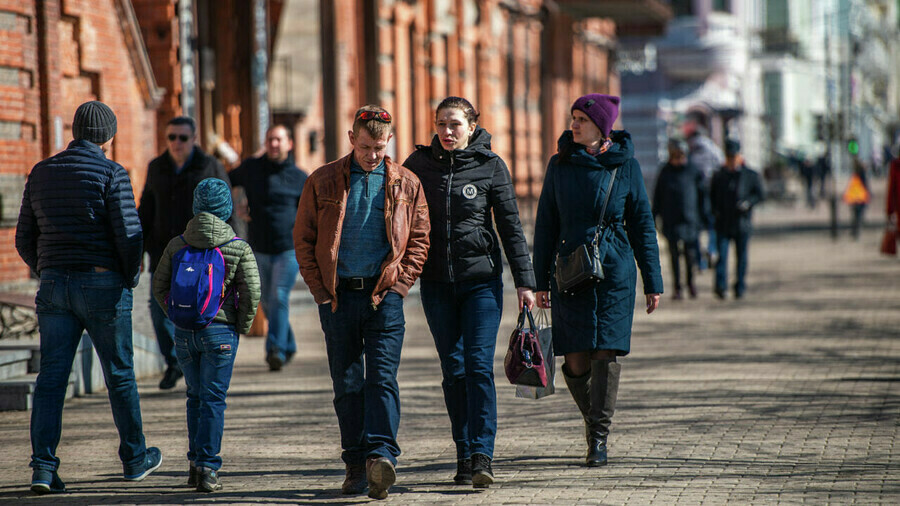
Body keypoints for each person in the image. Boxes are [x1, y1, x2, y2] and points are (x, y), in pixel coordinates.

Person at [15, 101, 162, 494]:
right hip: (102, 286)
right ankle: (134, 459)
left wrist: (46, 268)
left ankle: (43, 468)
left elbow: (23, 238)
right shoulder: (113, 173)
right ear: (108, 137)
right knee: (119, 375)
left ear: (76, 132)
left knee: (51, 378)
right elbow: (130, 238)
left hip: (53, 287)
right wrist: (127, 278)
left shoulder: (41, 172)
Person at [293, 105, 430, 500]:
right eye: (366, 146)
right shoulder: (322, 181)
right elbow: (303, 239)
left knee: (382, 379)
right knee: (348, 383)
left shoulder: (406, 182)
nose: (373, 154)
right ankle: (355, 464)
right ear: (352, 139)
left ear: (391, 141)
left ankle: (382, 456)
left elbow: (420, 238)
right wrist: (320, 291)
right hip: (338, 298)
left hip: (384, 295)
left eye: (381, 146)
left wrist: (401, 285)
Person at [403, 97, 536, 488]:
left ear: (472, 126)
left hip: (481, 283)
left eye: (456, 124)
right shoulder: (417, 167)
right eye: (442, 123)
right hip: (437, 285)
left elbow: (511, 227)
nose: (447, 131)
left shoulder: (491, 166)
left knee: (478, 366)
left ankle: (482, 454)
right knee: (453, 369)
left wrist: (525, 282)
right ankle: (462, 450)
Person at [532, 94, 663, 467]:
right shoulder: (559, 165)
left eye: (582, 120)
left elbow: (642, 225)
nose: (574, 125)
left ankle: (598, 438)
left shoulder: (627, 166)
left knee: (606, 350)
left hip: (615, 270)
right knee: (574, 359)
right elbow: (545, 226)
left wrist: (653, 281)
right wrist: (539, 281)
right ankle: (595, 420)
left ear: (601, 127)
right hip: (571, 270)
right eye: (572, 118)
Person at [152, 178, 260, 492]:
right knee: (213, 400)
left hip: (185, 333)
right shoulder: (237, 246)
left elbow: (160, 287)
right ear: (226, 209)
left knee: (194, 398)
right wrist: (239, 327)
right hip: (221, 333)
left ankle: (194, 464)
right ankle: (209, 468)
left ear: (196, 208)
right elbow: (252, 293)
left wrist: (177, 316)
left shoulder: (177, 244)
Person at [139, 116, 231, 390]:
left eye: (182, 137)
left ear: (193, 139)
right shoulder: (156, 167)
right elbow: (146, 210)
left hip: (200, 254)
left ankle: (199, 362)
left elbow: (227, 210)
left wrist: (232, 248)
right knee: (159, 310)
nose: (176, 143)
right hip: (164, 252)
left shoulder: (209, 166)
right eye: (171, 137)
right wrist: (137, 251)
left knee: (199, 309)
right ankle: (174, 362)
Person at [230, 125, 307, 371]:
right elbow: (223, 179)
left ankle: (275, 349)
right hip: (259, 247)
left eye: (278, 139)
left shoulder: (299, 177)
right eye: (270, 139)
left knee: (279, 295)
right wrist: (237, 204)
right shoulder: (252, 168)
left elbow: (310, 214)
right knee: (266, 299)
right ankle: (288, 344)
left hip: (288, 247)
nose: (274, 144)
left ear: (289, 144)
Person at [709, 139, 765, 300]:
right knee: (722, 256)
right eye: (728, 157)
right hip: (723, 223)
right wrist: (714, 211)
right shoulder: (719, 175)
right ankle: (720, 286)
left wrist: (748, 203)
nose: (731, 160)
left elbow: (760, 195)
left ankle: (740, 285)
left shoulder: (750, 174)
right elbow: (710, 197)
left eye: (734, 157)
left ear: (739, 156)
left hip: (742, 223)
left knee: (741, 257)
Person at [653, 138, 707, 300]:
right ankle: (677, 287)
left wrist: (704, 217)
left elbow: (702, 196)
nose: (679, 159)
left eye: (682, 155)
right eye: (676, 156)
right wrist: (654, 217)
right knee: (674, 255)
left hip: (690, 220)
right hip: (671, 220)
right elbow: (658, 197)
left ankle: (691, 283)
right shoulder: (665, 172)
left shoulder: (693, 170)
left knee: (690, 254)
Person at [686, 124, 724, 270]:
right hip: (711, 189)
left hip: (695, 192)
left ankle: (700, 260)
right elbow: (720, 165)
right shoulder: (713, 148)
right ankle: (711, 249)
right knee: (711, 223)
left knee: (696, 226)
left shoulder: (691, 150)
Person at [843, 157, 871, 240]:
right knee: (858, 216)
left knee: (855, 216)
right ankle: (856, 231)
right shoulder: (861, 174)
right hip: (860, 197)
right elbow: (865, 186)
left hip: (854, 198)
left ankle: (855, 231)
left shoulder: (855, 174)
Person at [887, 144, 900, 236]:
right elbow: (891, 191)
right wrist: (890, 210)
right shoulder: (895, 166)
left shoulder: (895, 166)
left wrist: (890, 211)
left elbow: (891, 191)